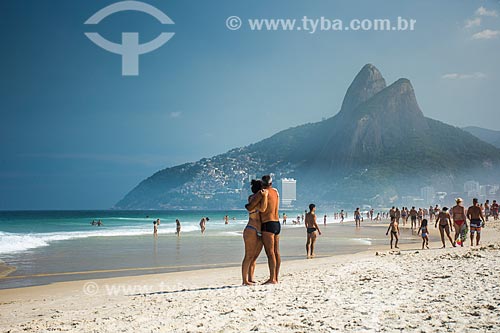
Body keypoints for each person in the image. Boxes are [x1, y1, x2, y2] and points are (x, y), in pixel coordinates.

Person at [242, 179, 268, 285]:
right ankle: (244, 280)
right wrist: (265, 196)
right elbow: (262, 209)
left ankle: (250, 278)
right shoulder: (252, 198)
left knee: (254, 257)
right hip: (251, 228)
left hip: (259, 230)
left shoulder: (258, 197)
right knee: (248, 256)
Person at [259, 175, 280, 284]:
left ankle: (272, 279)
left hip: (268, 223)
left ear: (262, 184)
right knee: (276, 252)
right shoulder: (276, 192)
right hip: (277, 223)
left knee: (270, 253)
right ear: (271, 183)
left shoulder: (264, 193)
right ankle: (276, 277)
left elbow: (263, 209)